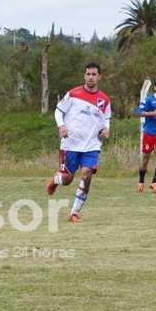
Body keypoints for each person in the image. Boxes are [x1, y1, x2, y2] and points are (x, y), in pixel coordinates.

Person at [45, 62, 111, 223]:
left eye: (94, 74)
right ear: (84, 76)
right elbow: (58, 111)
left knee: (87, 174)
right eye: (88, 74)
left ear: (99, 77)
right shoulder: (73, 94)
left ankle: (74, 212)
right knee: (67, 179)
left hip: (92, 145)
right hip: (71, 144)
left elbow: (106, 119)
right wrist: (61, 126)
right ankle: (56, 180)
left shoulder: (104, 100)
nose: (91, 77)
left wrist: (106, 129)